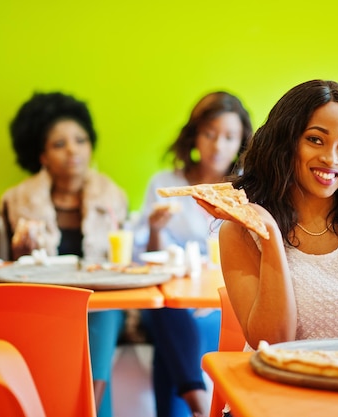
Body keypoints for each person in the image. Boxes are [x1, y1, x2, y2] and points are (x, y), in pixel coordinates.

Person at [199, 80, 338, 416]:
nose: (331, 159)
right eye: (315, 139)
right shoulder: (240, 232)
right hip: (273, 401)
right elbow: (273, 342)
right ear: (285, 143)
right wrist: (268, 232)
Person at [1, 92, 127, 417]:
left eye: (80, 141)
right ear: (41, 155)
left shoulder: (113, 197)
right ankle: (93, 407)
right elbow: (3, 268)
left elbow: (121, 264)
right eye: (59, 144)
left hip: (101, 302)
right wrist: (21, 254)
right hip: (45, 302)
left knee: (102, 313)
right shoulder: (17, 200)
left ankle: (90, 404)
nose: (73, 150)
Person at [133, 91, 253, 417]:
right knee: (170, 307)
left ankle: (195, 407)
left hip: (222, 297)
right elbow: (148, 260)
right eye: (209, 134)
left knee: (168, 346)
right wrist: (156, 229)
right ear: (195, 136)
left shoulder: (246, 191)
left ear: (242, 141)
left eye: (229, 137)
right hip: (174, 298)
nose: (218, 146)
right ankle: (203, 406)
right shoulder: (165, 183)